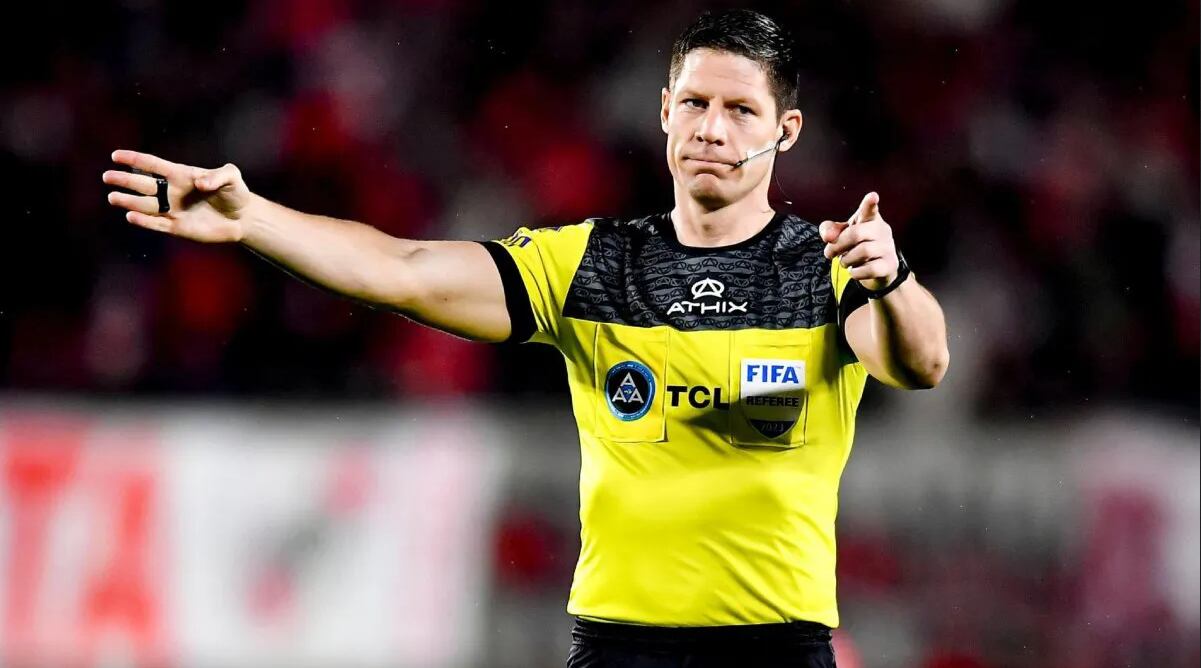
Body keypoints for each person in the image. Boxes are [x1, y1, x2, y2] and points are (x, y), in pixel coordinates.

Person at [103, 9, 948, 667]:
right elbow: (405, 270)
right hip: (619, 646)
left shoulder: (827, 267)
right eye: (694, 103)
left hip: (776, 648)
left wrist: (893, 279)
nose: (711, 129)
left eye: (739, 110)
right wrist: (252, 218)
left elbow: (920, 362)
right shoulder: (589, 264)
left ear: (784, 131)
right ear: (663, 111)